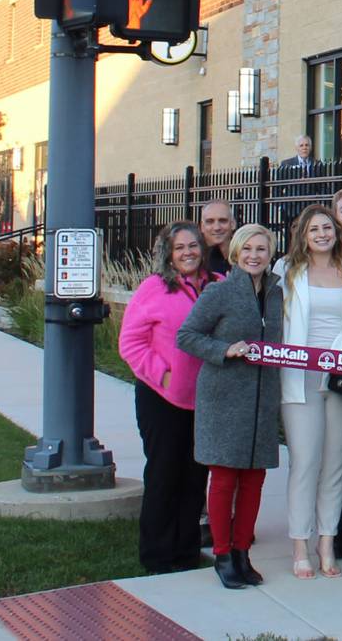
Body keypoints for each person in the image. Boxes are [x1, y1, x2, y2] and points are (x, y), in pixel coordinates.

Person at [176, 224, 282, 590]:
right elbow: (187, 335)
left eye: (262, 249)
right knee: (224, 478)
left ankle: (242, 551)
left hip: (262, 398)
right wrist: (224, 350)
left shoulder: (276, 293)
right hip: (224, 396)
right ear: (236, 253)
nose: (255, 255)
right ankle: (222, 554)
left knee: (254, 479)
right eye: (248, 249)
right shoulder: (219, 292)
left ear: (271, 255)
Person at [119, 222, 214, 574]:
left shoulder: (215, 286)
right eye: (180, 248)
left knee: (194, 477)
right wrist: (164, 374)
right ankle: (157, 554)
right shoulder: (154, 288)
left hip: (204, 400)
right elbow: (130, 344)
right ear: (169, 255)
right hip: (161, 398)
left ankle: (187, 551)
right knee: (163, 474)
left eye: (193, 246)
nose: (188, 252)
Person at [274, 205, 342, 580]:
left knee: (334, 464)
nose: (322, 234)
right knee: (305, 462)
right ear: (303, 237)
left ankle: (327, 540)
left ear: (337, 232)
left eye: (327, 227)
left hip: (340, 379)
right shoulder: (286, 272)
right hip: (301, 379)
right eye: (314, 230)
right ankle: (299, 544)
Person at [275, 135, 320, 233]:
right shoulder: (286, 164)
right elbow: (277, 187)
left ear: (310, 147)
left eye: (307, 145)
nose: (304, 148)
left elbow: (322, 186)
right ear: (296, 148)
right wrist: (281, 206)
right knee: (291, 238)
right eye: (301, 145)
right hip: (291, 210)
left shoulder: (317, 163)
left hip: (310, 208)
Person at [199, 200, 237, 278]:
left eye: (223, 221)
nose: (217, 227)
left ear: (233, 224)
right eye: (210, 221)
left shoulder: (246, 257)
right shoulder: (196, 259)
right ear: (202, 227)